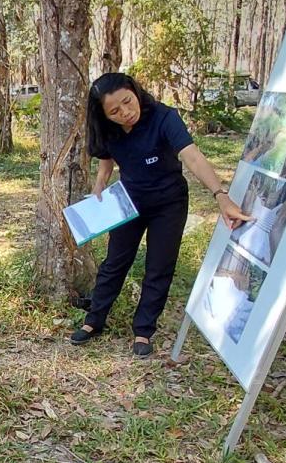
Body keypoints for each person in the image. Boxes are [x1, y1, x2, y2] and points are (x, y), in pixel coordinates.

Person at [70, 73, 251, 356]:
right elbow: (107, 157)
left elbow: (192, 156)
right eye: (114, 111)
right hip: (128, 202)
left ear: (135, 91)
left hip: (169, 203)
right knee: (115, 261)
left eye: (127, 102)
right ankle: (95, 320)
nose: (125, 113)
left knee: (159, 266)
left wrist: (221, 196)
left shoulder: (164, 117)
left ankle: (143, 330)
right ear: (105, 115)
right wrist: (100, 184)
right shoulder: (108, 129)